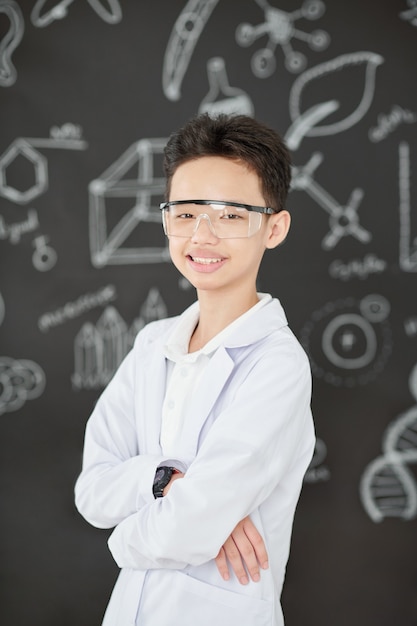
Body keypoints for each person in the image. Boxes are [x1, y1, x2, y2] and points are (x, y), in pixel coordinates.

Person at [75, 113, 315, 626]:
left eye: (231, 215)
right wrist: (166, 480)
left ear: (274, 227)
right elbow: (92, 491)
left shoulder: (277, 365)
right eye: (184, 214)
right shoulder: (150, 346)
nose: (201, 236)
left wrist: (128, 534)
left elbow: (192, 525)